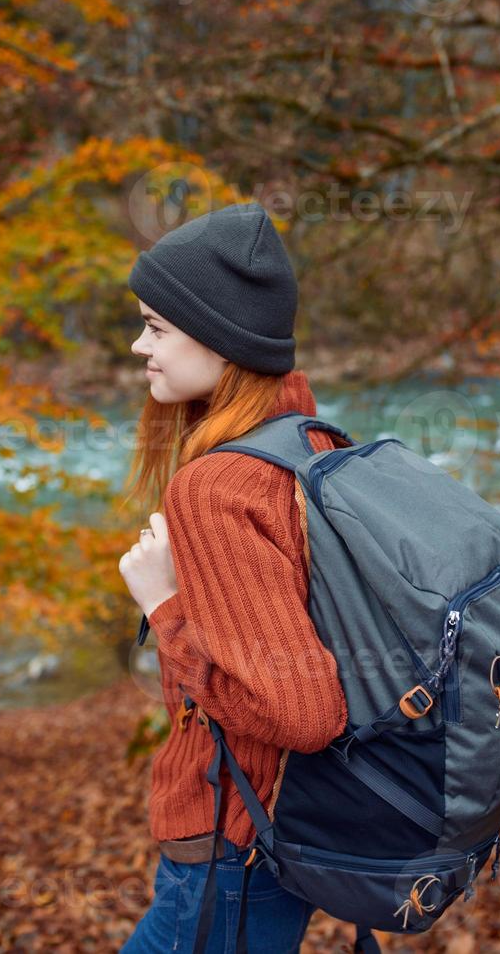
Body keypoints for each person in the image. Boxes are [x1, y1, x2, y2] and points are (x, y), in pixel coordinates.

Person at [116, 202, 350, 953]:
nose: (137, 345)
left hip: (230, 845)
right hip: (285, 831)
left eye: (156, 327)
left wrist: (164, 608)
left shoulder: (217, 487)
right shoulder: (307, 436)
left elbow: (303, 711)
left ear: (218, 336)